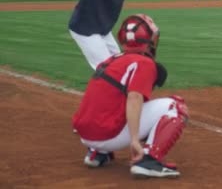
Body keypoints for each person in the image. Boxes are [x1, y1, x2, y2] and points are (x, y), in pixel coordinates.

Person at [72, 14, 188, 179]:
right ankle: (149, 161)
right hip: (108, 136)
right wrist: (134, 140)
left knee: (112, 101)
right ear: (149, 40)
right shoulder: (144, 63)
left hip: (86, 135)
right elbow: (134, 98)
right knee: (175, 106)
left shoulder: (112, 60)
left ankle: (97, 154)